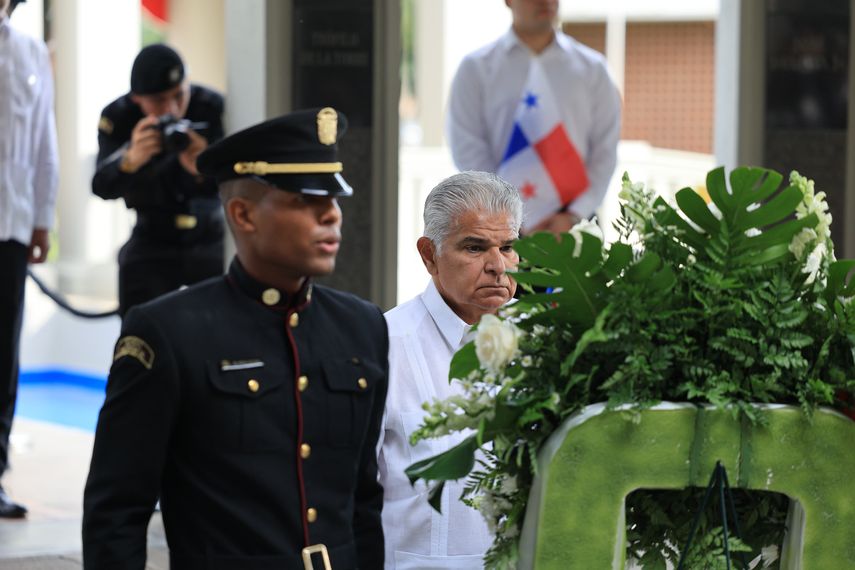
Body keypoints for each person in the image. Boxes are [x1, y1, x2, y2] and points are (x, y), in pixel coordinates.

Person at [82, 108, 389, 569]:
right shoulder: (170, 333)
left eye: (333, 197)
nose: (331, 214)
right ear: (243, 214)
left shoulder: (362, 326)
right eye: (305, 200)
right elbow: (116, 513)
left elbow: (364, 501)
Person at [378, 171, 522, 568]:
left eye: (508, 247)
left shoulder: (546, 340)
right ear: (429, 255)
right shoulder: (384, 346)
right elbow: (348, 495)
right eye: (475, 247)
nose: (498, 266)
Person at [446, 0, 621, 235]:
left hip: (577, 223)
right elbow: (467, 148)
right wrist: (510, 217)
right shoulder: (475, 69)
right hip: (501, 227)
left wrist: (574, 214)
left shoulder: (593, 68)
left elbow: (605, 150)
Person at [92, 43, 225, 318]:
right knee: (139, 324)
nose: (172, 109)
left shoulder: (211, 107)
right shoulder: (119, 117)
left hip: (209, 236)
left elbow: (242, 181)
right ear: (137, 99)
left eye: (179, 95)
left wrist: (204, 167)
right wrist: (129, 161)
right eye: (159, 101)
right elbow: (101, 187)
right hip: (152, 235)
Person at [0, 0, 59, 519]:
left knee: (3, 358)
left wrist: (43, 217)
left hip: (11, 227)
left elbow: (44, 141)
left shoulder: (29, 51)